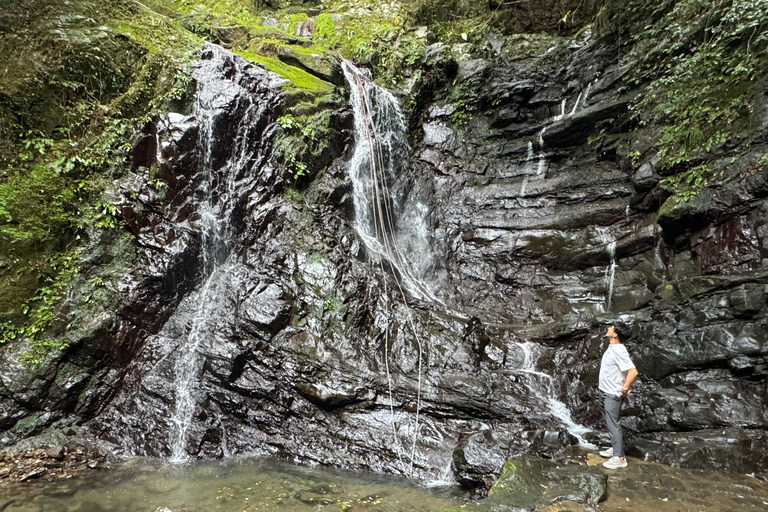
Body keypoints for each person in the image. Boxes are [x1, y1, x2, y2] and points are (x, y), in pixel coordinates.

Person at [598, 321, 638, 469]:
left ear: (615, 334)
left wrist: (624, 388)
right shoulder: (613, 347)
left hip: (611, 394)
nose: (608, 328)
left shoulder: (619, 350)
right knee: (610, 422)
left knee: (613, 424)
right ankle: (616, 449)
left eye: (611, 327)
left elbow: (633, 371)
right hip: (604, 391)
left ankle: (620, 458)